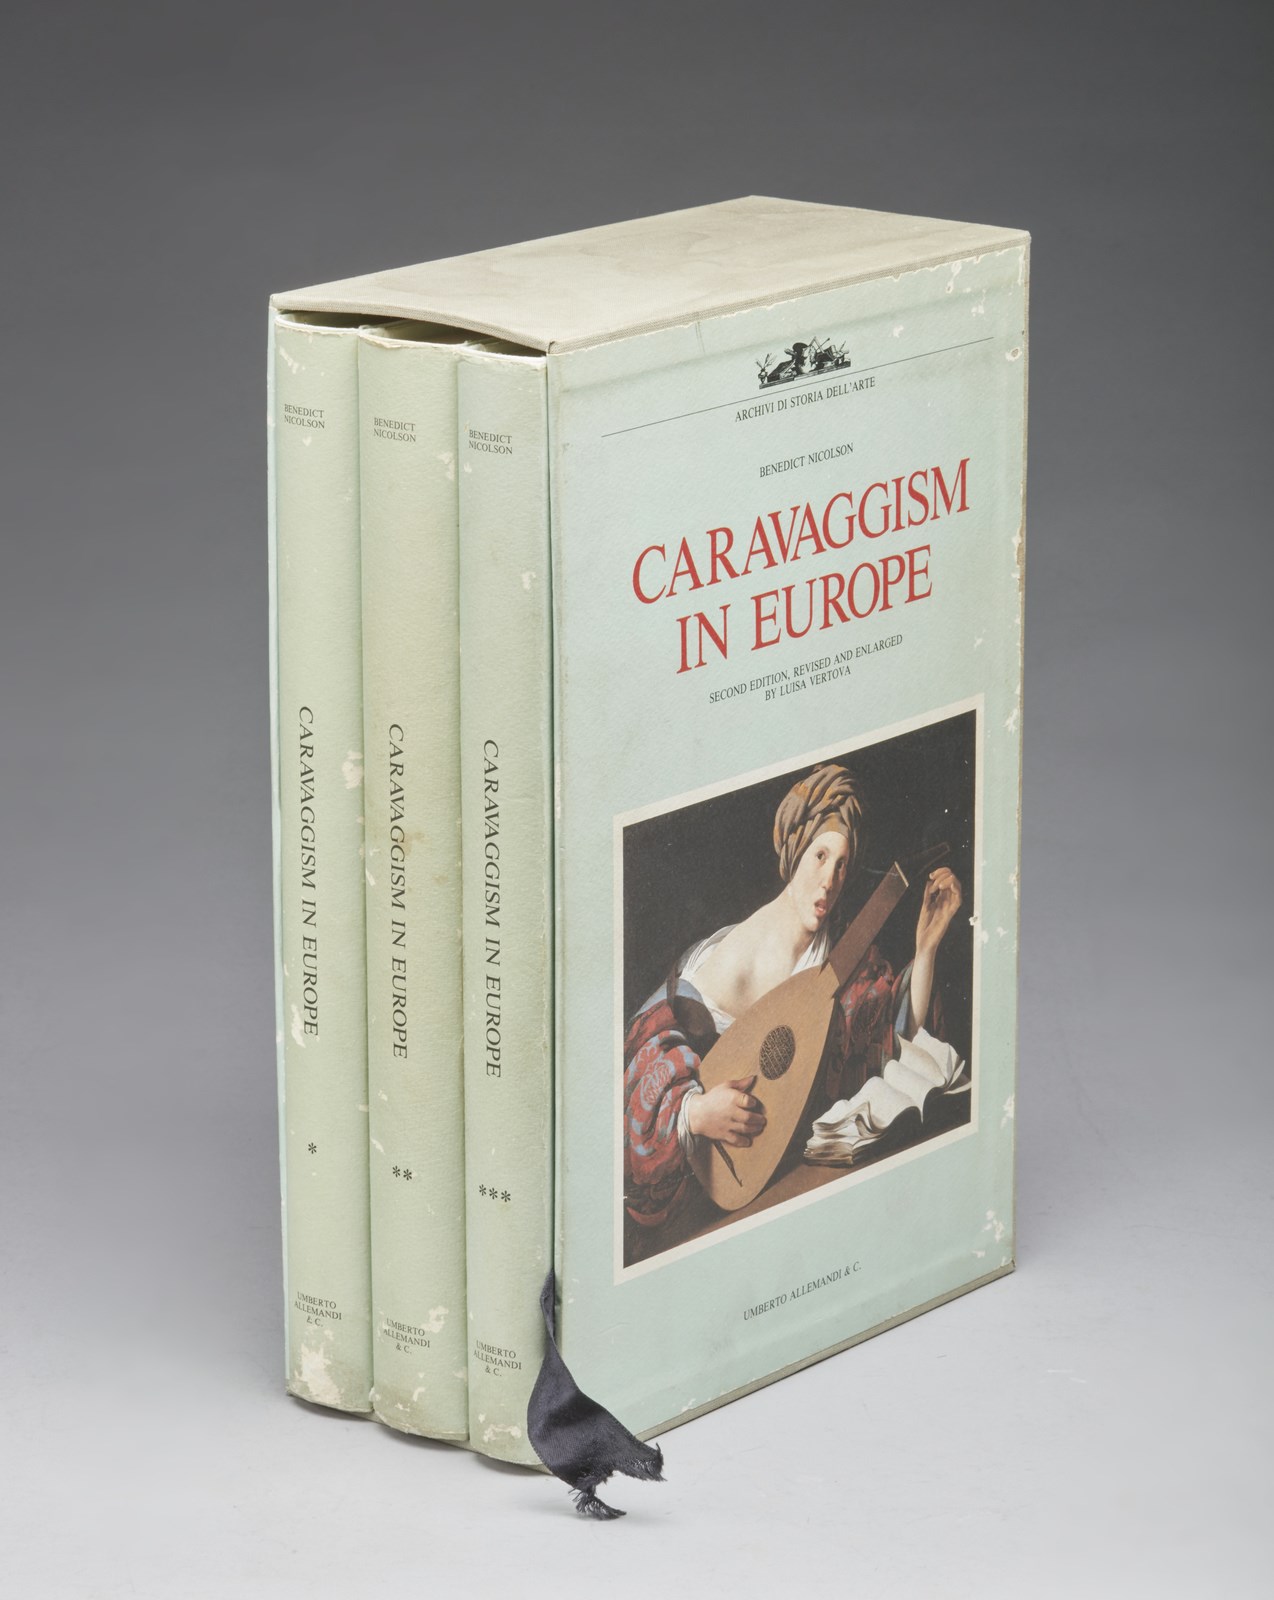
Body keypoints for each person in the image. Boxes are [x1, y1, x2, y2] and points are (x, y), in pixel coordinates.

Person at [623, 763, 962, 1234]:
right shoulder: (732, 958)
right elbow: (641, 1054)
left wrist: (925, 951)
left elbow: (891, 1041)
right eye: (820, 856)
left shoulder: (840, 956)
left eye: (842, 865)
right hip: (712, 1197)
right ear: (795, 852)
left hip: (793, 1181)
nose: (829, 881)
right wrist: (695, 1113)